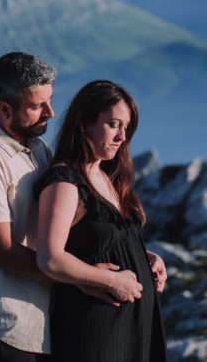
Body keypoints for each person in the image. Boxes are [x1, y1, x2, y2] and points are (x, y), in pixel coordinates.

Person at [0, 54, 142, 362]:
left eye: (50, 100)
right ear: (4, 109)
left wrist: (133, 252)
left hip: (41, 322)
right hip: (4, 321)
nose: (51, 112)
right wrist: (88, 278)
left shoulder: (38, 149)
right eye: (37, 106)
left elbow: (65, 225)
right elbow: (3, 252)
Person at [34, 80, 168, 362]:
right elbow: (50, 258)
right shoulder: (65, 181)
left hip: (134, 329)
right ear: (84, 123)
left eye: (127, 127)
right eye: (113, 125)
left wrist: (146, 258)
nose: (122, 136)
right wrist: (111, 280)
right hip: (97, 329)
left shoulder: (107, 177)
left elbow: (99, 242)